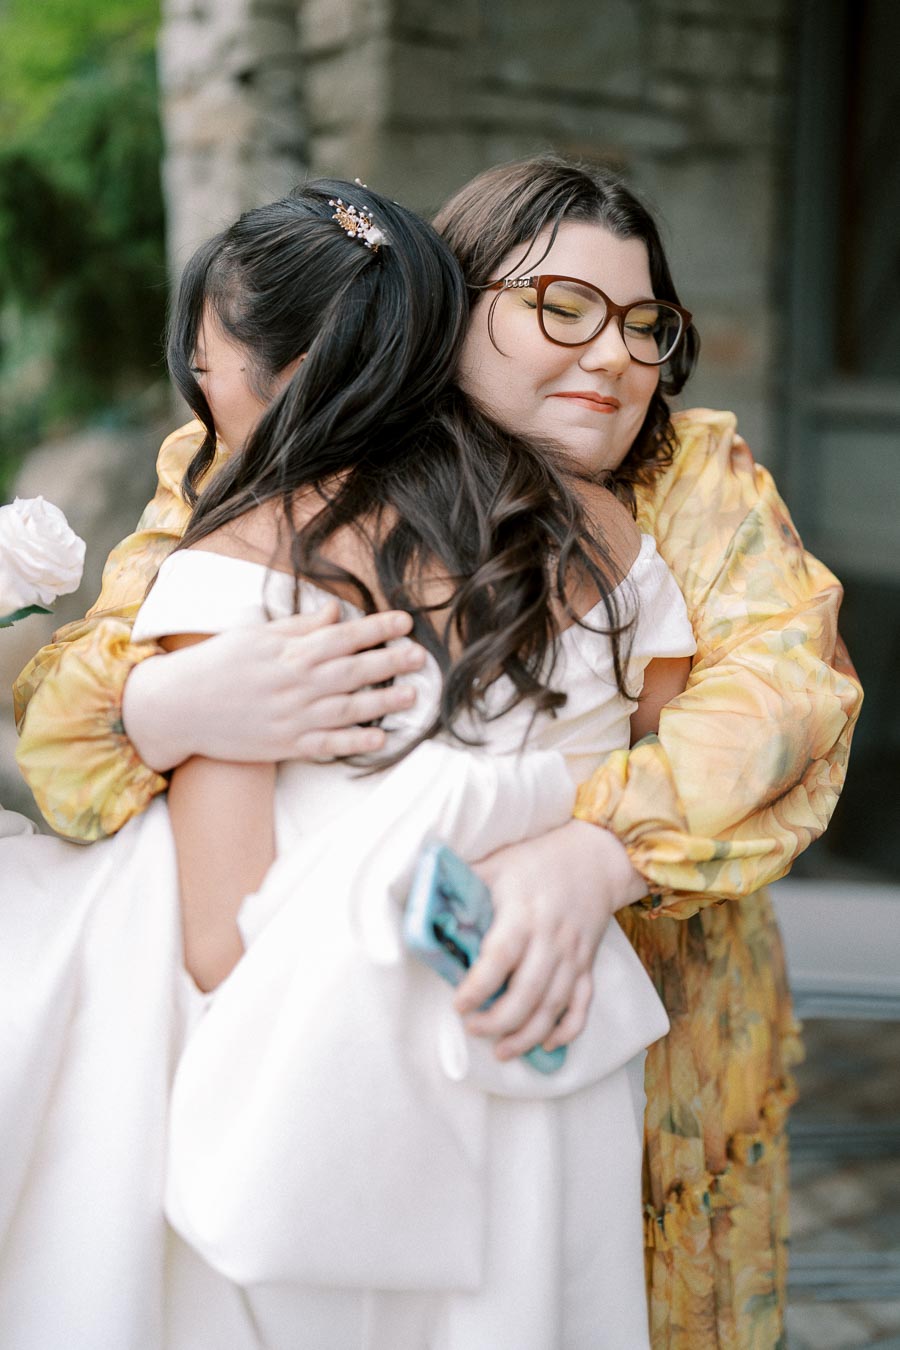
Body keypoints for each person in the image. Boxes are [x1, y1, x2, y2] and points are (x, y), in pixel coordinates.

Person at [11, 157, 862, 1349]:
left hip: (649, 1007)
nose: (614, 355)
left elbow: (785, 700)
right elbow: (70, 719)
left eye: (645, 325)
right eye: (561, 308)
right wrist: (169, 706)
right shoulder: (262, 472)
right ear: (447, 312)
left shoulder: (688, 480)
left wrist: (594, 854)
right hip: (371, 1026)